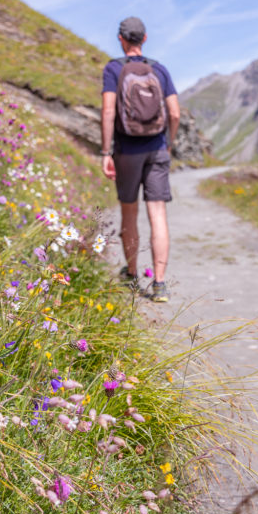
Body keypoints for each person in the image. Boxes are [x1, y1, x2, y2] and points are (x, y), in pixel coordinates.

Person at [100, 16, 181, 302]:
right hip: (157, 147)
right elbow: (174, 113)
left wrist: (106, 152)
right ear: (144, 39)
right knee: (157, 213)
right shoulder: (159, 70)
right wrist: (167, 145)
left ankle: (132, 275)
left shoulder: (113, 69)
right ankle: (159, 284)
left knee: (130, 212)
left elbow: (109, 112)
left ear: (121, 39)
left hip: (127, 150)